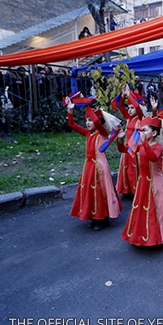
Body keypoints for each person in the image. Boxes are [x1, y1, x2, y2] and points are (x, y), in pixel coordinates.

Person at [66, 99, 122, 230]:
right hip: (89, 167)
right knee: (89, 191)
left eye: (90, 120)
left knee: (99, 191)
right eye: (87, 120)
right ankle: (93, 216)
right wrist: (70, 110)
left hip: (99, 167)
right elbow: (72, 125)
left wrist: (87, 106)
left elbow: (97, 121)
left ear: (99, 122)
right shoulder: (88, 133)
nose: (88, 123)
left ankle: (102, 218)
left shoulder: (103, 134)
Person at [120, 116, 163, 247]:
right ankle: (139, 236)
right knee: (141, 209)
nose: (141, 132)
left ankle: (157, 238)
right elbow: (124, 150)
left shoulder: (158, 147)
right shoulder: (140, 146)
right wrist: (119, 139)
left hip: (155, 183)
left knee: (155, 210)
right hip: (143, 182)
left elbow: (152, 157)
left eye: (144, 130)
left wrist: (144, 142)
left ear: (154, 133)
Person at [116, 84, 144, 198]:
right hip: (127, 148)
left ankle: (135, 190)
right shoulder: (128, 118)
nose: (130, 110)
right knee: (127, 170)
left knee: (135, 170)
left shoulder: (141, 118)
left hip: (136, 150)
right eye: (130, 108)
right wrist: (123, 96)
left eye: (132, 108)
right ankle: (127, 190)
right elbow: (121, 106)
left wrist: (129, 95)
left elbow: (138, 107)